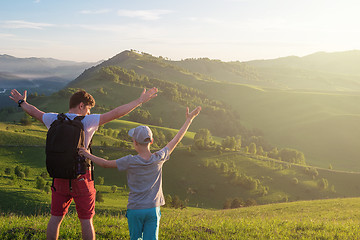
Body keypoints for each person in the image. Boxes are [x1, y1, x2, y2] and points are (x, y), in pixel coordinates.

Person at [9, 87, 158, 240]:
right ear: (81, 105)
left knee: (55, 218)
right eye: (88, 109)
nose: (89, 113)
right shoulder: (88, 121)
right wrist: (139, 101)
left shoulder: (54, 119)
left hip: (59, 176)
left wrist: (21, 102)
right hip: (82, 178)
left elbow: (34, 112)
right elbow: (116, 113)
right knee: (86, 220)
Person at [79, 106, 201, 240]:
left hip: (135, 209)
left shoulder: (129, 161)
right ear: (151, 141)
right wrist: (189, 120)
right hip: (152, 209)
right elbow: (176, 140)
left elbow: (105, 164)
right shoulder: (159, 158)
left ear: (135, 142)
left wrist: (87, 154)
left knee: (135, 238)